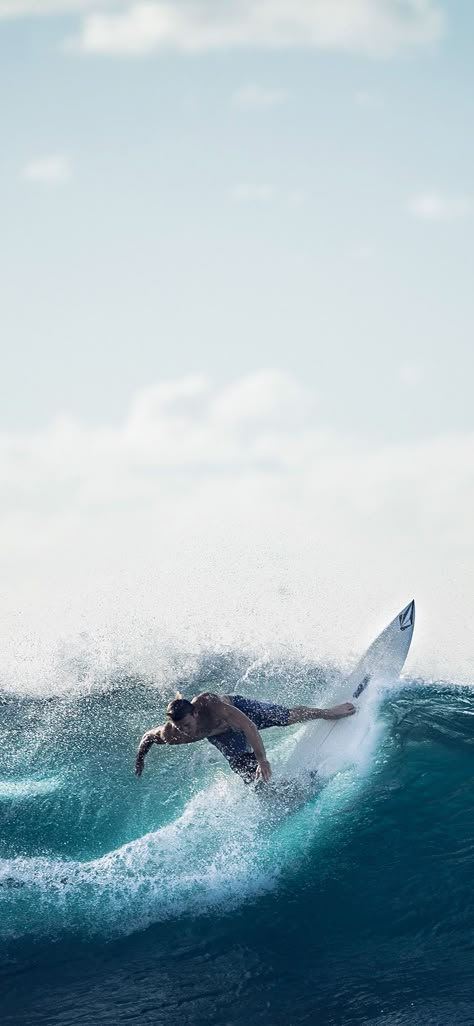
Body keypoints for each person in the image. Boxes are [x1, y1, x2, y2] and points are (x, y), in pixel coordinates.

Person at [135, 691, 356, 785]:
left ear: (195, 713)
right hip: (223, 737)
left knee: (285, 717)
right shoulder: (172, 734)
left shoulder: (211, 705)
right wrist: (140, 758)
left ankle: (326, 712)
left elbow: (249, 726)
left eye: (187, 725)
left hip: (241, 713)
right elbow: (148, 737)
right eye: (179, 727)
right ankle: (279, 792)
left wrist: (263, 759)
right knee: (247, 773)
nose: (185, 731)